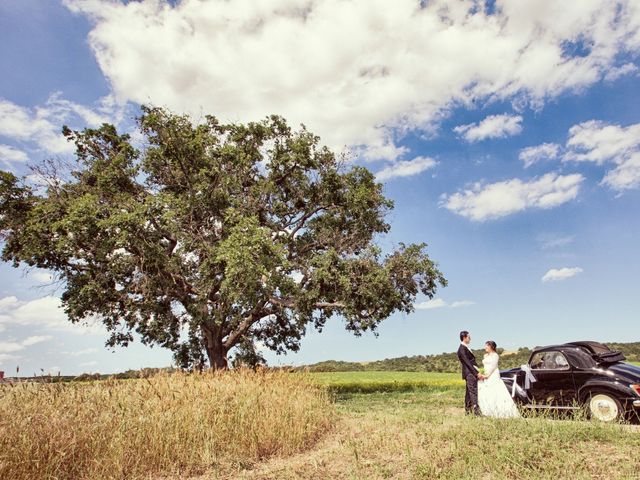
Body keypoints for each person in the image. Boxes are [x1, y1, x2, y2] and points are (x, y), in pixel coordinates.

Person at [477, 340, 520, 418]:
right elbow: (485, 367)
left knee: (495, 392)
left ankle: (499, 411)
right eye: (485, 345)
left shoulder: (495, 355)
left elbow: (493, 367)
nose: (485, 347)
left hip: (493, 375)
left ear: (492, 347)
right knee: (487, 392)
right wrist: (482, 373)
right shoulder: (485, 356)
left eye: (487, 345)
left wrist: (486, 376)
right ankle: (487, 410)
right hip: (486, 374)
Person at [457, 331, 483, 415]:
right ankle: (476, 412)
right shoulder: (461, 349)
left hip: (470, 373)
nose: (470, 338)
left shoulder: (465, 348)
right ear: (464, 338)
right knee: (473, 392)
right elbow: (468, 363)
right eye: (469, 337)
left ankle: (467, 411)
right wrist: (476, 373)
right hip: (470, 373)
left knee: (468, 393)